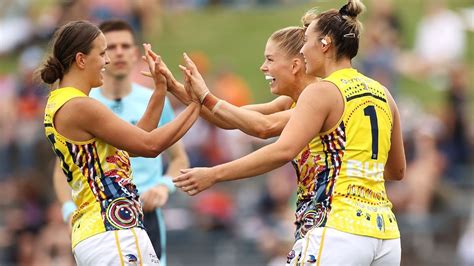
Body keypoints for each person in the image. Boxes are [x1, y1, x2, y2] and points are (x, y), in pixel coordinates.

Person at [173, 0, 406, 265]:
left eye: (306, 40)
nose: (303, 50)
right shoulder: (383, 94)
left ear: (325, 44)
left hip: (338, 228)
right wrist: (189, 95)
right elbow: (397, 171)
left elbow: (281, 148)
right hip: (385, 235)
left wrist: (215, 173)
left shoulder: (321, 92)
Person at [41, 20, 200, 265]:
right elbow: (149, 146)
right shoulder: (82, 106)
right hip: (113, 231)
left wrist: (160, 90)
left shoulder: (61, 101)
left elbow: (133, 142)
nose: (107, 61)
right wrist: (198, 103)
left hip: (101, 232)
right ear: (81, 60)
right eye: (103, 53)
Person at [154, 23, 317, 140]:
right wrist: (173, 86)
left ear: (295, 65)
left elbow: (264, 127)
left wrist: (214, 174)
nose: (263, 67)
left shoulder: (319, 97)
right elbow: (225, 119)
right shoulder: (289, 101)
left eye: (270, 59)